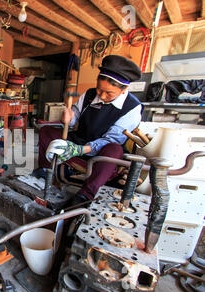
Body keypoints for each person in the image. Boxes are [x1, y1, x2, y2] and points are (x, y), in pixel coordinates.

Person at [37, 55, 143, 207]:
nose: (101, 95)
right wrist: (68, 118)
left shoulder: (132, 107)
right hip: (80, 140)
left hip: (101, 153)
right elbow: (73, 118)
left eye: (109, 93)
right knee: (47, 131)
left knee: (114, 149)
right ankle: (45, 171)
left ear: (124, 89)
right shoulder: (89, 94)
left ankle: (85, 194)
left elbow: (112, 139)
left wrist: (79, 149)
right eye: (99, 89)